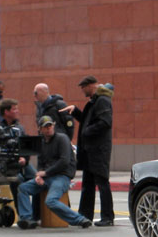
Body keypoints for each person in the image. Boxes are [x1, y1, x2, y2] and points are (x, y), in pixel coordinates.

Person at [15, 116, 91, 229]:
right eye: (45, 126)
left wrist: (45, 173)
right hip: (47, 177)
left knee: (51, 201)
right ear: (40, 129)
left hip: (62, 177)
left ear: (53, 126)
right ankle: (27, 218)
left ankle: (80, 219)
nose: (48, 128)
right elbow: (41, 163)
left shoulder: (62, 138)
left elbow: (64, 161)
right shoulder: (42, 143)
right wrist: (38, 176)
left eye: (50, 125)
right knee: (23, 188)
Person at [62, 75, 114, 226]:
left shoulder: (102, 100)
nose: (82, 90)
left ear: (91, 85)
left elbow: (105, 122)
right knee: (88, 184)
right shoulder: (95, 101)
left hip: (98, 150)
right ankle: (85, 215)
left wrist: (87, 131)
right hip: (91, 150)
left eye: (83, 87)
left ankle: (107, 217)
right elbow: (88, 121)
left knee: (102, 183)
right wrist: (76, 111)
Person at [0, 98, 36, 201]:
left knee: (38, 180)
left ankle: (36, 209)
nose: (17, 111)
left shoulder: (19, 127)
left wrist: (25, 159)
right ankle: (21, 209)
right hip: (3, 164)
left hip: (20, 162)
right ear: (6, 112)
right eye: (14, 109)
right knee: (18, 181)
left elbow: (25, 146)